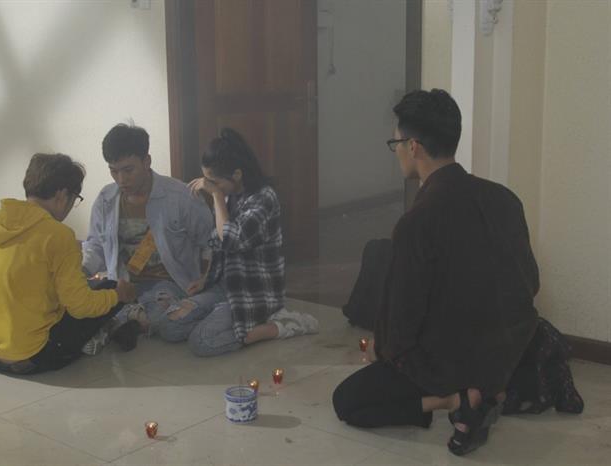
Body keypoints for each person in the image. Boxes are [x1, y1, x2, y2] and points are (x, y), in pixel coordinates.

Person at [332, 89, 539, 456]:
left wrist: (382, 350)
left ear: (413, 147)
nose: (396, 151)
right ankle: (493, 390)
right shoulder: (505, 199)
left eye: (396, 143)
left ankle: (453, 400)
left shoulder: (418, 222)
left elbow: (402, 324)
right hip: (505, 350)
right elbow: (530, 282)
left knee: (347, 400)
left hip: (450, 362)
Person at [0, 153, 138, 375]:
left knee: (76, 291)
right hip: (32, 357)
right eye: (74, 199)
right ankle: (100, 334)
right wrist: (118, 295)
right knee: (108, 288)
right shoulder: (58, 235)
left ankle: (104, 329)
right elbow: (80, 306)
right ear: (61, 195)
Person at [154, 127, 319, 357]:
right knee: (167, 325)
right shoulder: (228, 195)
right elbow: (218, 246)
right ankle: (223, 319)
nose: (210, 187)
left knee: (202, 342)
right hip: (224, 287)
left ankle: (278, 326)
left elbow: (232, 240)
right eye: (207, 181)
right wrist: (204, 280)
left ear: (237, 175)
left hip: (251, 293)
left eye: (214, 182)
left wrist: (216, 197)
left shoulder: (264, 198)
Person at [80, 123, 213, 352]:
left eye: (128, 170)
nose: (121, 179)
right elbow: (95, 245)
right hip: (123, 283)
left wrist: (205, 280)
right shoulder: (106, 199)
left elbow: (211, 244)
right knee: (79, 305)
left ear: (147, 161)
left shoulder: (181, 197)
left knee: (168, 321)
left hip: (169, 284)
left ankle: (126, 320)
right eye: (114, 171)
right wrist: (82, 271)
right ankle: (130, 318)